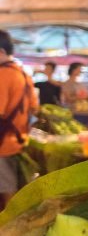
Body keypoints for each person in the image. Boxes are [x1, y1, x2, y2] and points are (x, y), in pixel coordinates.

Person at [0, 30, 38, 210]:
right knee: (17, 190)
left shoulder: (2, 75)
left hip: (3, 144)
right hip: (20, 139)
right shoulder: (23, 73)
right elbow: (35, 108)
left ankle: (10, 226)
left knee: (8, 191)